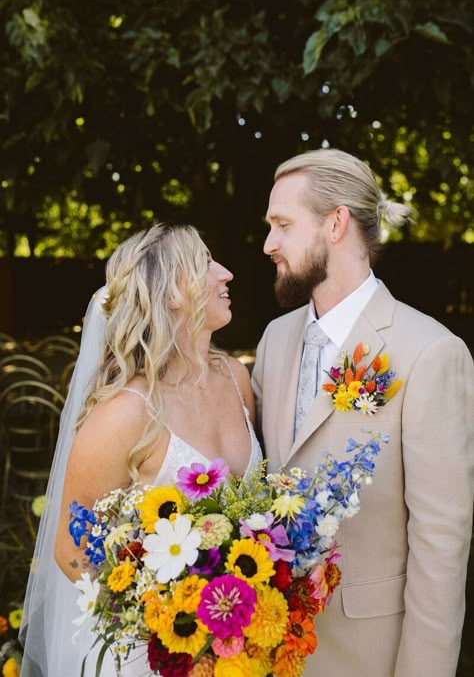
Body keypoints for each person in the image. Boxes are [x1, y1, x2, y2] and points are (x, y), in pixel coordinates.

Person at [251, 148, 474, 677]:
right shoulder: (274, 340)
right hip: (268, 650)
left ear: (336, 223)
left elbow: (441, 542)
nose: (268, 244)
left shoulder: (429, 352)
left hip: (368, 655)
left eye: (283, 224)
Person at [20, 223, 262, 676]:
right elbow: (68, 547)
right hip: (153, 653)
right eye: (206, 263)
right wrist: (161, 618)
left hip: (237, 644)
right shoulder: (126, 413)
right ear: (172, 292)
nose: (226, 273)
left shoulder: (235, 378)